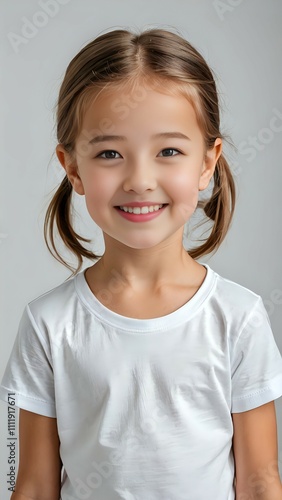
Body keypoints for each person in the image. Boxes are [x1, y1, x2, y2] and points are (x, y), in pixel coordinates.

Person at [1, 26, 282, 500]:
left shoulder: (239, 318)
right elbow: (28, 482)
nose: (140, 180)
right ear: (73, 169)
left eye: (169, 151)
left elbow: (259, 480)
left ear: (207, 164)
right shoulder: (47, 324)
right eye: (110, 153)